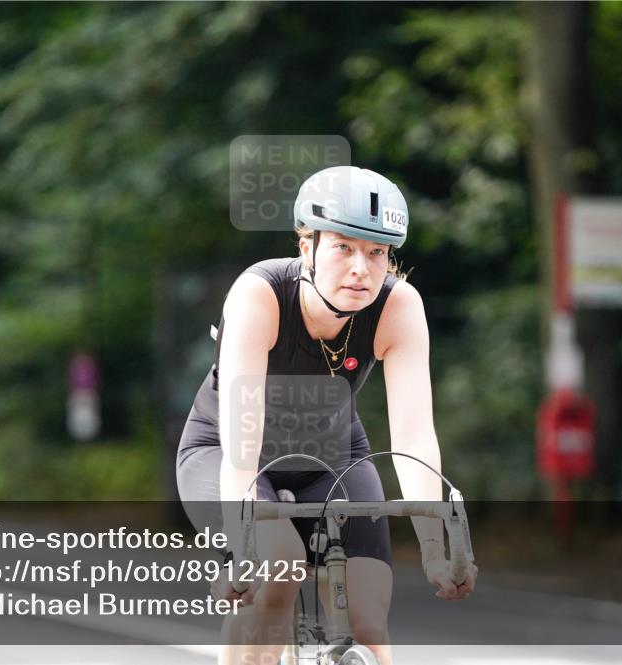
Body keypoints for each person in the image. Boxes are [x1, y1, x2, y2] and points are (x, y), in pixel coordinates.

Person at [176, 165, 479, 665]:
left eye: (377, 252)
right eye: (343, 247)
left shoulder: (398, 306)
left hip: (333, 454)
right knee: (279, 568)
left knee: (369, 626)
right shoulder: (260, 295)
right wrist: (239, 553)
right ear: (307, 247)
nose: (361, 268)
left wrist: (434, 550)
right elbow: (242, 445)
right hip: (229, 451)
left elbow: (413, 437)